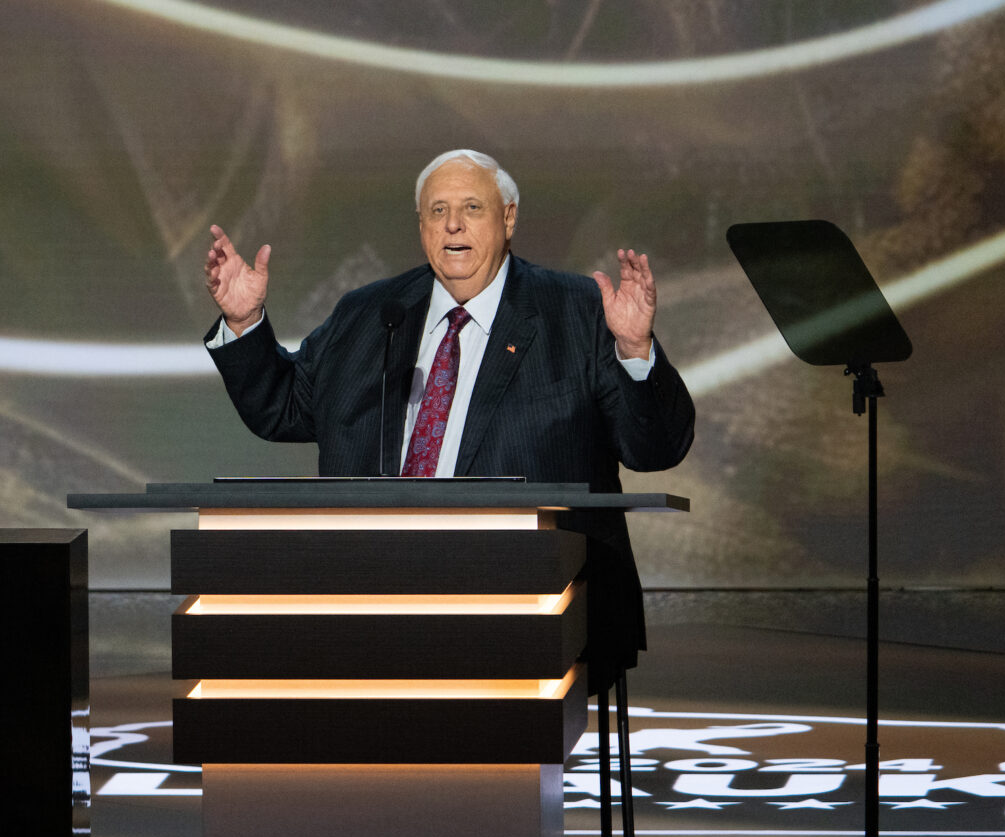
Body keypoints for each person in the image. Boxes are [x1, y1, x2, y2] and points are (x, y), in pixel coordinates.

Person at [201, 148, 695, 691]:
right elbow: (284, 407)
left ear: (509, 218)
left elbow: (655, 450)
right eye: (437, 211)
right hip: (374, 591)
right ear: (420, 226)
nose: (452, 224)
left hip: (531, 597)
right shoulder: (371, 314)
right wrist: (244, 322)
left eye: (471, 208)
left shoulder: (576, 310)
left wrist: (635, 349)